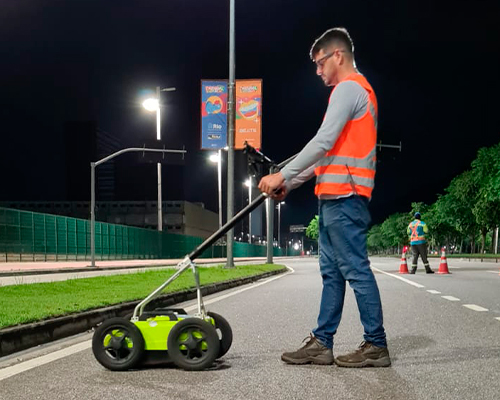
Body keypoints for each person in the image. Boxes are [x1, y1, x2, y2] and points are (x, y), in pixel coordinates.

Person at [258, 27, 390, 368]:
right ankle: (322, 342)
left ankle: (376, 345)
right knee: (332, 274)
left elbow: (321, 141)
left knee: (356, 270)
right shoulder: (351, 92)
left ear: (337, 56)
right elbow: (326, 156)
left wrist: (281, 174)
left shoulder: (350, 89)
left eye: (320, 63)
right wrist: (292, 183)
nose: (317, 71)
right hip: (334, 197)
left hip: (346, 198)